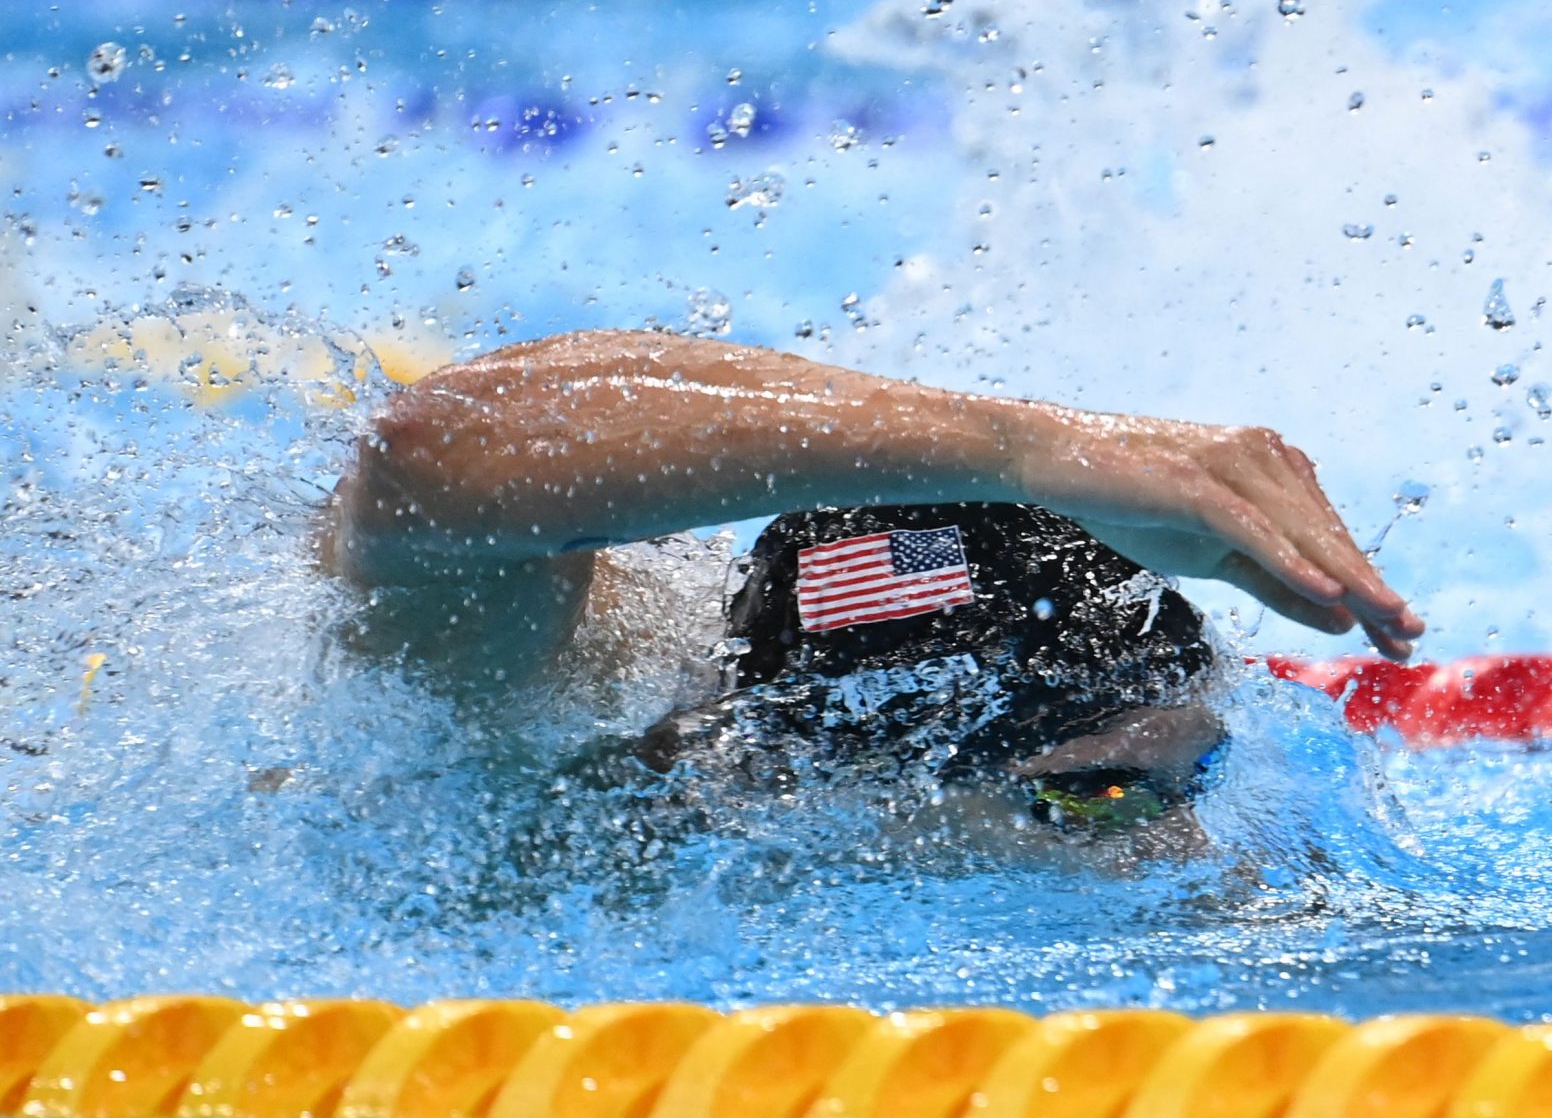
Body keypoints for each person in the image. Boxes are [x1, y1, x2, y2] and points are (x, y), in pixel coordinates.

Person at [324, 330, 1424, 829]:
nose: (1185, 843)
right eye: (1089, 800)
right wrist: (1016, 446)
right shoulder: (513, 746)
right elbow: (433, 449)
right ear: (843, 798)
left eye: (1195, 772)